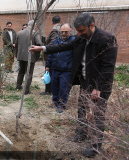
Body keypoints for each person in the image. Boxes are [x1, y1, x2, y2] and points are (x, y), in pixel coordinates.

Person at [30, 12, 117, 158]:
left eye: (82, 30)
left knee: (97, 115)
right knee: (82, 110)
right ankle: (81, 134)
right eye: (77, 31)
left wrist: (98, 88)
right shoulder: (80, 39)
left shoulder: (107, 40)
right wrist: (43, 48)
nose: (79, 33)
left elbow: (108, 68)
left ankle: (95, 147)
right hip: (85, 82)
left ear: (92, 26)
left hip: (99, 86)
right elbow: (63, 46)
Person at [46, 23, 75, 113]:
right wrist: (48, 65)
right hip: (55, 68)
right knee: (54, 87)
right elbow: (51, 53)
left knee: (63, 88)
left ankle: (62, 105)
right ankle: (55, 102)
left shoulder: (73, 41)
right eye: (62, 32)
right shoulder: (56, 40)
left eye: (66, 32)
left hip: (66, 70)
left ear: (70, 31)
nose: (63, 34)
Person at [15, 20, 42, 94]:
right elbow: (39, 44)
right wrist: (37, 55)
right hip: (30, 56)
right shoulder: (35, 33)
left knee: (21, 71)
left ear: (28, 24)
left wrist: (17, 54)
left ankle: (18, 85)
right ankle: (26, 90)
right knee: (29, 73)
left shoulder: (19, 32)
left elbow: (16, 45)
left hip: (21, 55)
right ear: (34, 25)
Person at [41, 16, 61, 96]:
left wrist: (45, 48)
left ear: (52, 22)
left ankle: (48, 91)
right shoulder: (62, 28)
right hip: (59, 55)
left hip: (52, 55)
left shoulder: (55, 30)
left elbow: (53, 43)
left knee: (48, 72)